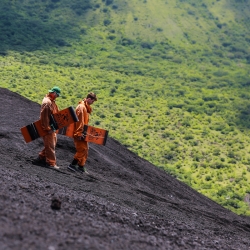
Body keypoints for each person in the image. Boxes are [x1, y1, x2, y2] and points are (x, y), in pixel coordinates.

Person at [67, 92, 97, 173]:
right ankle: (72, 165)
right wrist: (79, 133)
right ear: (89, 99)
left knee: (86, 149)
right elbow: (79, 121)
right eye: (92, 101)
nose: (92, 103)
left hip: (83, 132)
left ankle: (81, 166)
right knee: (82, 149)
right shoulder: (81, 107)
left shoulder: (85, 108)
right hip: (79, 132)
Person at [35, 86, 61, 169]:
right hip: (48, 128)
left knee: (52, 143)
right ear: (53, 93)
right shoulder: (47, 103)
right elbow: (45, 117)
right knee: (50, 145)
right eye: (57, 95)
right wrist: (47, 128)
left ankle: (42, 157)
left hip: (52, 127)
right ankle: (51, 163)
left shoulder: (51, 102)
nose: (57, 97)